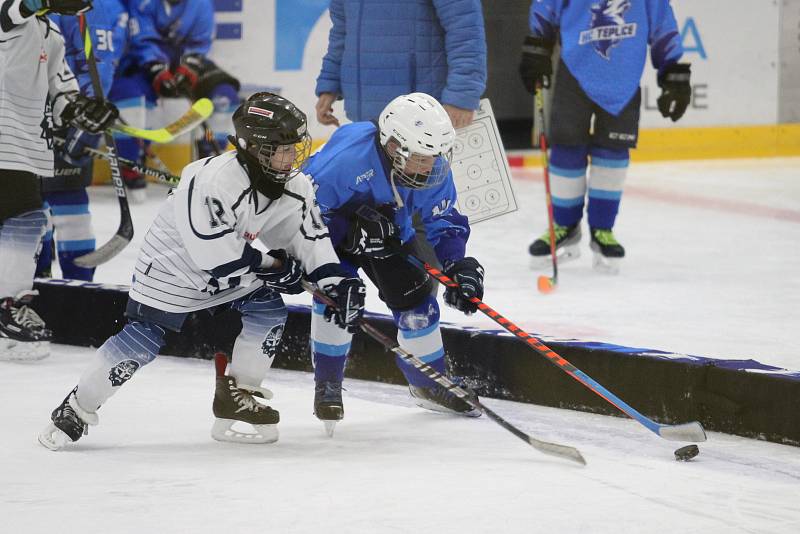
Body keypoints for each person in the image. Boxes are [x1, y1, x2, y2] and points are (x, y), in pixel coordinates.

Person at [38, 92, 366, 450]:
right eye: (282, 148)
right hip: (172, 270)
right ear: (253, 148)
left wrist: (338, 282)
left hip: (230, 266)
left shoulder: (293, 185)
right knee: (141, 342)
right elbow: (217, 256)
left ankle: (237, 395)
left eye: (295, 147)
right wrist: (275, 267)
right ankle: (76, 408)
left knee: (268, 310)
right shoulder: (212, 181)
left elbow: (309, 239)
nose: (293, 157)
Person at [303, 92, 486, 429]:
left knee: (418, 303)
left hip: (390, 235)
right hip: (330, 240)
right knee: (338, 297)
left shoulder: (432, 168)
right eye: (421, 157)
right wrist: (346, 229)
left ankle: (431, 386)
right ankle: (327, 383)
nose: (431, 165)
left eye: (436, 155)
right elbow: (303, 216)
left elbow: (442, 220)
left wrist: (457, 266)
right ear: (392, 145)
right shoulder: (343, 163)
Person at [519, 0, 691, 272]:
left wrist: (672, 72)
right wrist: (537, 47)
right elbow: (547, 6)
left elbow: (662, 22)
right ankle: (564, 225)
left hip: (624, 76)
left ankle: (602, 229)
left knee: (612, 152)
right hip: (574, 68)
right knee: (566, 148)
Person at [0, 0, 119, 361]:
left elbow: (61, 94)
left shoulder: (51, 35)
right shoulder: (14, 16)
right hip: (6, 145)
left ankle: (8, 306)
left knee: (27, 222)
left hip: (23, 150)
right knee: (25, 220)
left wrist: (84, 111)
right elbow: (10, 12)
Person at [109, 0, 240, 202]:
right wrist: (155, 68)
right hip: (145, 65)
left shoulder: (201, 4)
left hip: (184, 64)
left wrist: (189, 68)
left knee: (224, 97)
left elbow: (200, 43)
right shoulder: (142, 3)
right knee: (129, 96)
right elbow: (142, 39)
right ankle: (131, 164)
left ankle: (208, 163)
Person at [36, 0, 129, 281]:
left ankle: (76, 288)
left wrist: (86, 118)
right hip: (19, 118)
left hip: (66, 116)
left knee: (66, 199)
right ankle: (29, 285)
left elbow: (97, 65)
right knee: (23, 206)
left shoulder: (95, 7)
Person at [315, 0, 487, 130]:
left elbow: (466, 32)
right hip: (365, 119)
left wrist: (462, 96)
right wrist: (330, 86)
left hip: (422, 118)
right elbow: (341, 33)